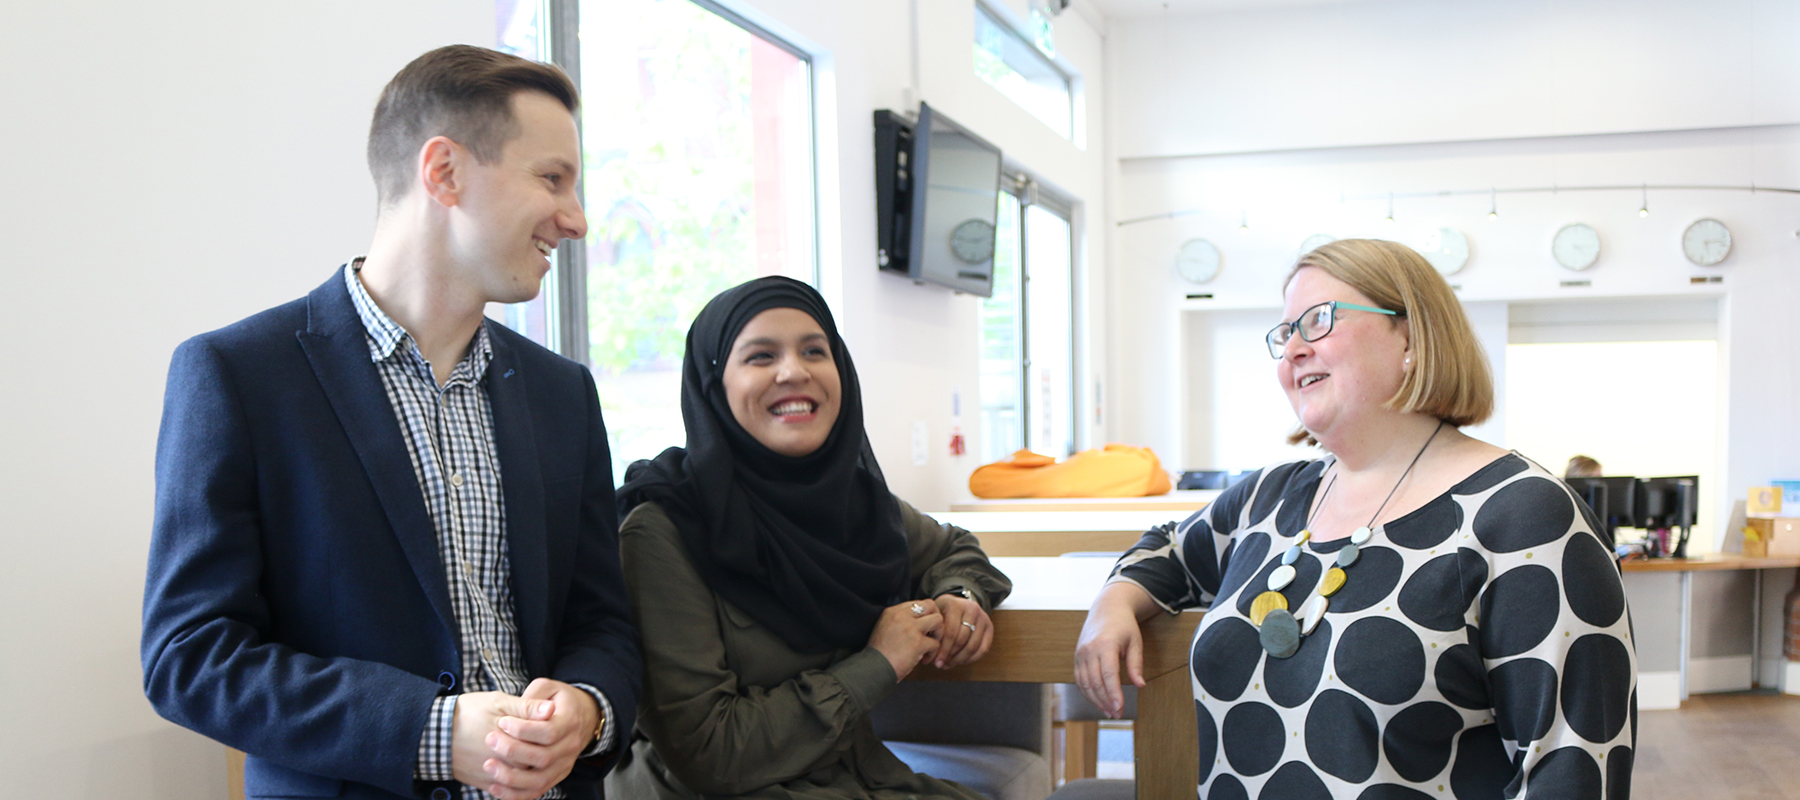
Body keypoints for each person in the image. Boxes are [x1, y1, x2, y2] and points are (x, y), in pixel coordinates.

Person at [142, 46, 640, 800]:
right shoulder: (237, 377)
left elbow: (603, 624)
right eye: (552, 179)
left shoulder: (563, 393)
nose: (574, 220)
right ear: (443, 172)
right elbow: (190, 657)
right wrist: (430, 733)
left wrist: (589, 708)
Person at [1075, 239, 1636, 799]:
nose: (1292, 348)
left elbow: (1575, 769)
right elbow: (1169, 551)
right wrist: (1113, 602)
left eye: (1318, 320)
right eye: (1285, 331)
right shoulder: (1269, 498)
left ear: (1411, 337)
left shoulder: (1526, 516)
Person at [605, 277, 1012, 800]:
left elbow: (956, 548)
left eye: (815, 351)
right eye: (760, 356)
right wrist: (877, 663)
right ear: (714, 386)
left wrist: (960, 597)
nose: (794, 371)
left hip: (852, 778)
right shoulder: (663, 531)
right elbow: (708, 754)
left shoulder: (855, 505)